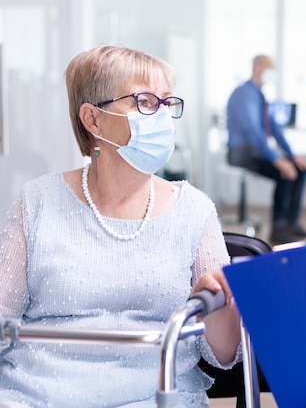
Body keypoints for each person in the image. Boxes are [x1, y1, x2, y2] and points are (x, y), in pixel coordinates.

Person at [0, 45, 241, 408]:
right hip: (34, 397)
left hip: (158, 396)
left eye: (165, 103)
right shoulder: (36, 202)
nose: (159, 116)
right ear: (93, 120)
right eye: (144, 102)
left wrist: (222, 305)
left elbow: (223, 354)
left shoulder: (194, 211)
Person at [226, 54, 306, 245]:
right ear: (258, 67)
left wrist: (293, 156)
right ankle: (278, 229)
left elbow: (273, 128)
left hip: (256, 151)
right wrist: (277, 160)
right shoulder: (243, 94)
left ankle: (292, 223)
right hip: (241, 153)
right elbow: (253, 131)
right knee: (285, 172)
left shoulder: (259, 95)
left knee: (300, 169)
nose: (273, 73)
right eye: (270, 68)